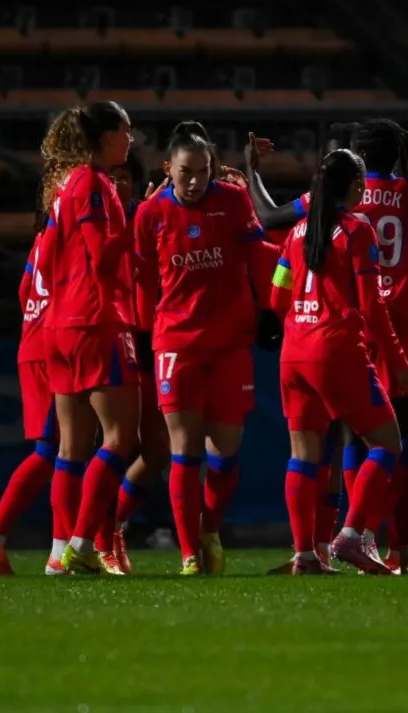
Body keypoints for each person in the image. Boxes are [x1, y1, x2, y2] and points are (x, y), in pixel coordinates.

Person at [249, 123, 408, 574]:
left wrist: (252, 171)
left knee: (333, 445)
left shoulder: (315, 210)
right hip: (381, 334)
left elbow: (272, 239)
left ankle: (312, 550)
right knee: (401, 443)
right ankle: (388, 545)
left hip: (305, 340)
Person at [134, 121, 280, 575]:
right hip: (176, 343)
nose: (194, 180)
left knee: (225, 452)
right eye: (184, 172)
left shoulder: (233, 202)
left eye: (202, 171)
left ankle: (210, 530)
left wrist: (270, 311)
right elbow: (141, 282)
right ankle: (188, 554)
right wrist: (141, 336)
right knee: (184, 449)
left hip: (229, 344)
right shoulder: (150, 214)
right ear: (167, 169)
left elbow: (261, 257)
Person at [269, 148, 408, 575]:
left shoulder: (297, 232)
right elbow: (373, 305)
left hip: (294, 353)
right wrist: (400, 362)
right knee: (387, 442)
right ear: (354, 186)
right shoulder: (357, 230)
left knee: (304, 457)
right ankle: (351, 536)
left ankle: (304, 556)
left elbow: (278, 296)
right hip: (334, 352)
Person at [39, 101, 142, 576]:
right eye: (126, 130)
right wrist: (138, 224)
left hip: (61, 324)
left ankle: (60, 553)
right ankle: (83, 542)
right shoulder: (95, 185)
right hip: (96, 319)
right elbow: (102, 257)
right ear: (105, 137)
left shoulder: (65, 186)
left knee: (71, 447)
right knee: (121, 438)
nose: (132, 139)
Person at [85, 150, 172, 575]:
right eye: (113, 178)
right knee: (117, 441)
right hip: (115, 332)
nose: (118, 185)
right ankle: (99, 540)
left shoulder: (148, 216)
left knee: (157, 449)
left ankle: (113, 527)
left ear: (136, 184)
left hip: (152, 336)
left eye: (126, 179)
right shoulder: (98, 225)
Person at [0, 220, 61, 576]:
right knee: (58, 449)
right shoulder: (75, 226)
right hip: (54, 346)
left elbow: (25, 291)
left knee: (59, 449)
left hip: (37, 343)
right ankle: (60, 549)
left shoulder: (43, 235)